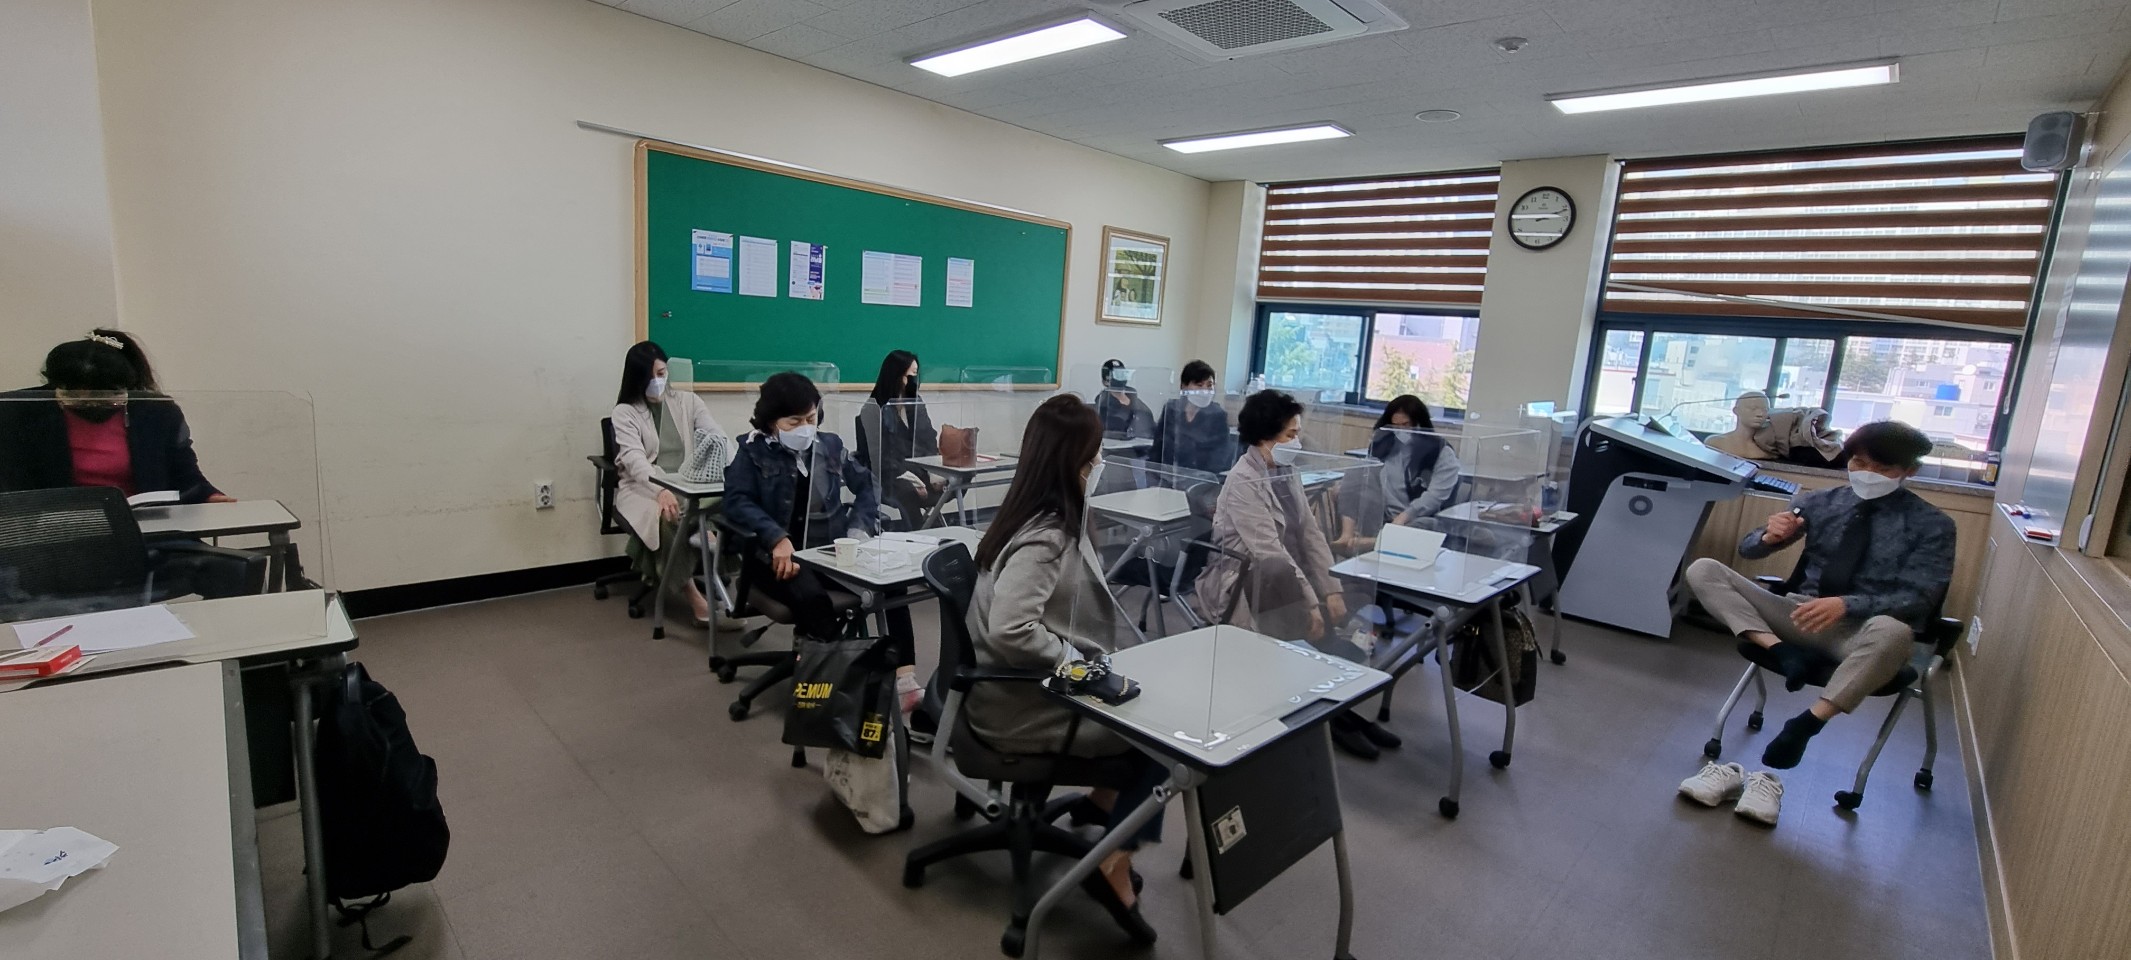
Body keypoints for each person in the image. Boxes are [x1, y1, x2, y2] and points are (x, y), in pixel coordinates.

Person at [1680, 420, 1954, 826]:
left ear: (1908, 471)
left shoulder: (1933, 526)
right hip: (1796, 617)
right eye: (1860, 463)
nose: (1867, 474)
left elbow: (1920, 599)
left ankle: (1807, 724)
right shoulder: (1822, 503)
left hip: (1861, 633)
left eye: (1882, 469)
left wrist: (1848, 605)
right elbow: (1749, 549)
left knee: (1896, 633)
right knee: (1705, 569)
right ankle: (1780, 651)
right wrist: (1769, 536)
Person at [967, 393, 1161, 944]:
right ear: (1075, 462)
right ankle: (1112, 858)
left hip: (1020, 687)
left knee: (1150, 707)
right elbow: (1010, 629)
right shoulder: (1047, 533)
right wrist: (1078, 665)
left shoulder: (1032, 509)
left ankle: (1104, 811)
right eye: (1094, 456)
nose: (1098, 466)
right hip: (1026, 703)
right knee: (1169, 734)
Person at [723, 372, 921, 711]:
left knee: (892, 583)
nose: (805, 426)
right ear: (772, 422)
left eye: (811, 418)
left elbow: (868, 486)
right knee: (812, 597)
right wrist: (776, 538)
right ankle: (836, 679)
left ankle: (905, 679)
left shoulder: (829, 446)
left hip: (830, 550)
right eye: (794, 420)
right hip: (776, 559)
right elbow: (737, 502)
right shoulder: (753, 452)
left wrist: (857, 530)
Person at [0, 334, 231, 503]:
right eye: (75, 394)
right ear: (55, 386)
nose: (89, 402)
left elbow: (185, 476)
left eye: (104, 394)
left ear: (125, 388)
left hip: (147, 531)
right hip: (56, 535)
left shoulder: (156, 412)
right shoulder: (20, 411)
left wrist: (211, 496)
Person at [609, 341, 728, 627]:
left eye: (662, 373)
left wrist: (730, 459)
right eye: (651, 377)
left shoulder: (689, 402)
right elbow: (635, 461)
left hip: (688, 482)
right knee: (667, 516)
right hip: (644, 487)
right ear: (636, 379)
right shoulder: (625, 413)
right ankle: (694, 595)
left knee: (731, 503)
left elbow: (716, 435)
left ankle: (707, 550)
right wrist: (660, 489)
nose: (658, 381)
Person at [1333, 394, 1460, 553]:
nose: (1401, 431)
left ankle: (1373, 542)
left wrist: (1403, 518)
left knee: (1428, 526)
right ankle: (1347, 536)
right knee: (1355, 473)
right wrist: (1345, 488)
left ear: (1420, 423)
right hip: (1383, 513)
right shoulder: (1384, 447)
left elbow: (1434, 497)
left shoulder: (1441, 453)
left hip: (1416, 517)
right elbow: (1362, 476)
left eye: (1406, 424)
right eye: (1395, 426)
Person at [855, 350, 944, 530]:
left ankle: (937, 532)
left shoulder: (915, 403)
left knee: (957, 482)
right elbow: (880, 456)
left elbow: (928, 437)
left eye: (916, 375)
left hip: (920, 468)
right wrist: (908, 476)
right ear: (895, 376)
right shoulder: (873, 409)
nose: (913, 380)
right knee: (907, 492)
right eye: (909, 375)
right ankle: (919, 534)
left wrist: (936, 470)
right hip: (890, 475)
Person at [1148, 359, 1231, 476]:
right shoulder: (1171, 409)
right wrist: (1154, 472)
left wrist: (1201, 476)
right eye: (1199, 385)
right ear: (1184, 386)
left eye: (1209, 385)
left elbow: (1221, 455)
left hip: (1201, 478)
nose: (1205, 391)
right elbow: (1158, 446)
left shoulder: (1217, 415)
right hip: (1168, 475)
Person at [1092, 358, 1154, 441]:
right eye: (1116, 374)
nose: (1120, 377)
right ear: (1105, 381)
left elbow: (1148, 422)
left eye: (1122, 373)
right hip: (1116, 449)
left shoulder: (1134, 398)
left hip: (1141, 446)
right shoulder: (1103, 404)